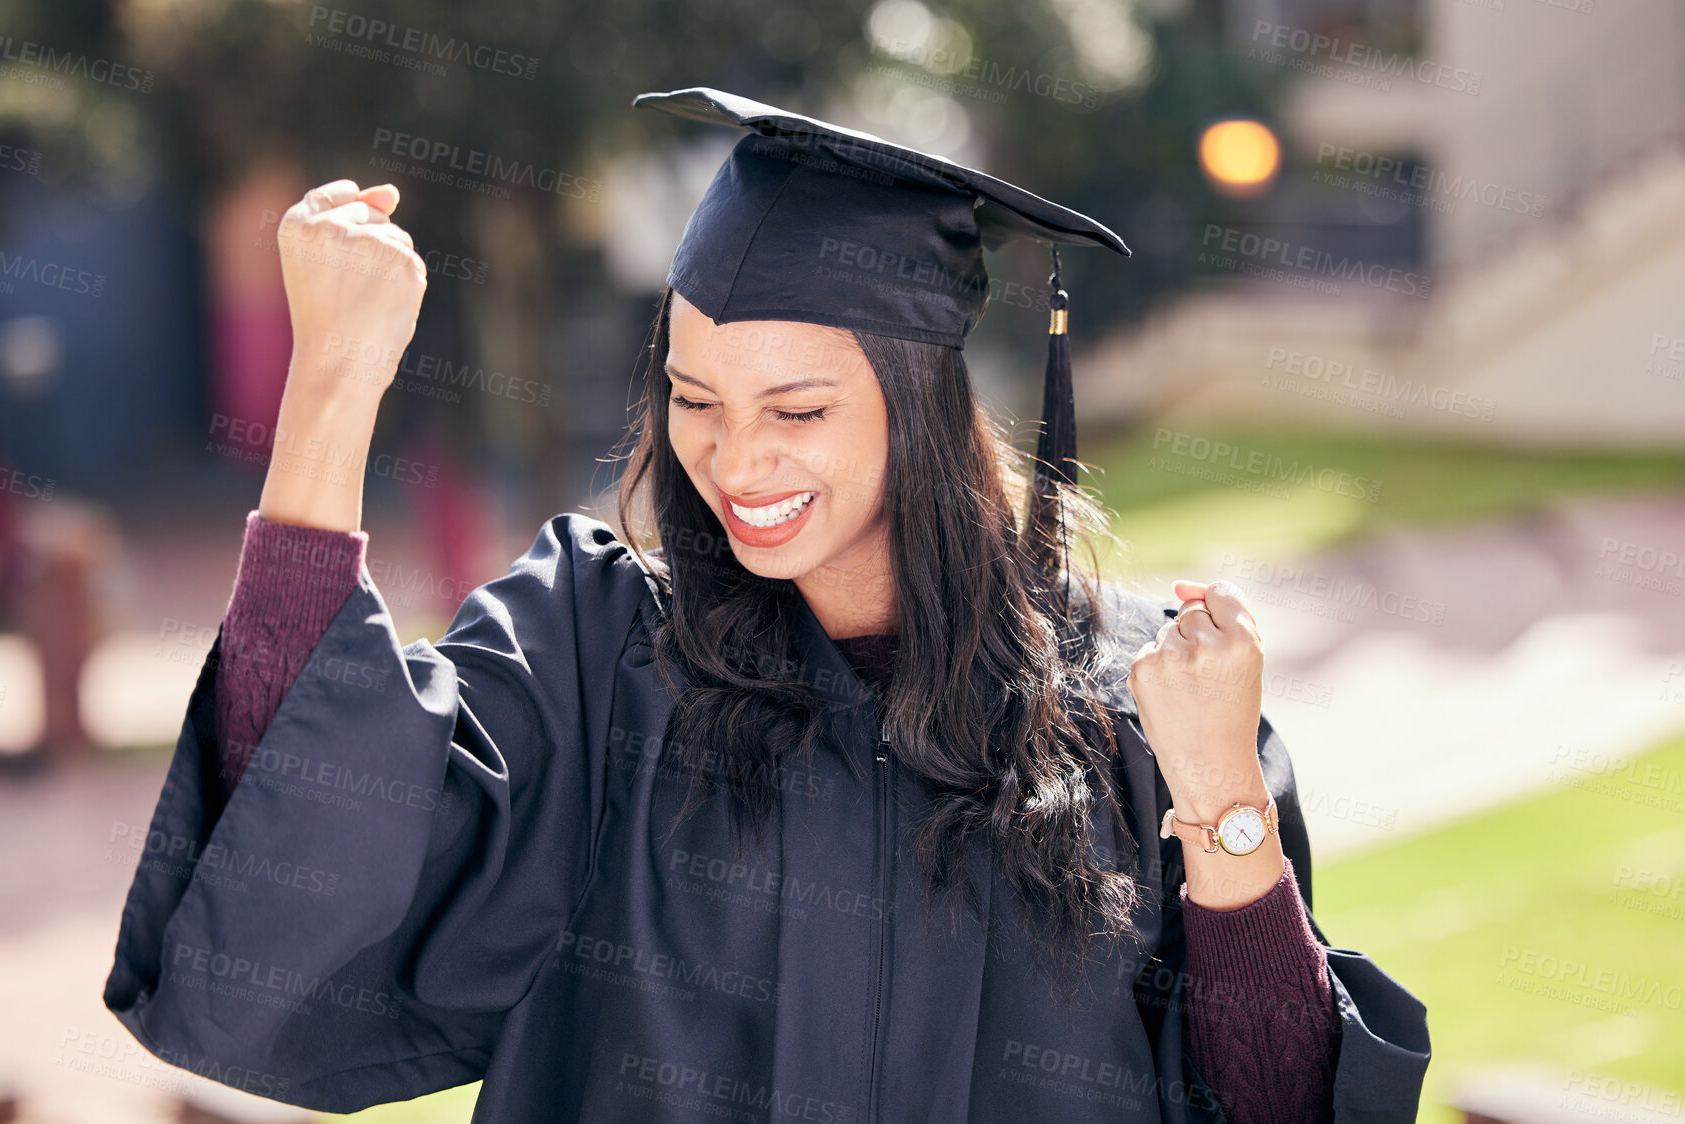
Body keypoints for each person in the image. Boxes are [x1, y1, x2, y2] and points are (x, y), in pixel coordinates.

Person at [104, 88, 1430, 1123]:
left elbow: (1274, 1103)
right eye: (695, 401)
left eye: (798, 410)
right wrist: (332, 391)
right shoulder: (599, 652)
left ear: (917, 408)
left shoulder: (1134, 695)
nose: (737, 464)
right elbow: (299, 869)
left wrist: (1217, 800)